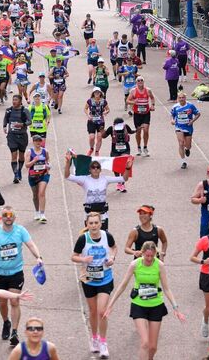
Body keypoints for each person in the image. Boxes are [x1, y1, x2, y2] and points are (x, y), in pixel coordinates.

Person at [104, 241, 187, 360]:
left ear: (155, 254)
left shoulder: (159, 265)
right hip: (139, 304)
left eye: (152, 256)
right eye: (146, 255)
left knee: (153, 347)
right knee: (145, 343)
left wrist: (176, 309)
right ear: (142, 253)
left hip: (156, 305)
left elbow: (167, 288)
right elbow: (122, 285)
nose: (149, 258)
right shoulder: (134, 264)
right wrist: (110, 305)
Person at [0, 205, 43, 347]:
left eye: (10, 215)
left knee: (14, 301)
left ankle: (14, 332)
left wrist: (38, 257)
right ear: (1, 217)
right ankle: (6, 322)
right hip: (0, 274)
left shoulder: (21, 230)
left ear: (14, 217)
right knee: (3, 302)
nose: (8, 218)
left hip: (16, 273)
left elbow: (31, 244)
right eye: (5, 215)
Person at [72, 212, 116, 357]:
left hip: (105, 278)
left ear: (100, 223)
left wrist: (111, 257)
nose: (94, 225)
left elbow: (114, 247)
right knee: (92, 311)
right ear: (87, 224)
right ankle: (94, 338)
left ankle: (103, 342)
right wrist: (84, 259)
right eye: (91, 223)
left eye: (96, 222)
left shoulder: (106, 236)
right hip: (89, 279)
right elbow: (73, 256)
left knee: (102, 311)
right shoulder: (83, 239)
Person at [64, 153, 125, 232]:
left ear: (100, 170)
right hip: (89, 215)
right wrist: (68, 162)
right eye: (93, 167)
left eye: (97, 167)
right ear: (90, 170)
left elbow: (124, 178)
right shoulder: (84, 179)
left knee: (104, 236)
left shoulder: (105, 179)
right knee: (90, 237)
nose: (95, 169)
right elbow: (67, 176)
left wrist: (127, 168)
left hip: (103, 215)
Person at [171, 92, 202, 169]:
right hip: (179, 127)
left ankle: (187, 149)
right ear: (178, 98)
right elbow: (172, 115)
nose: (181, 99)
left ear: (185, 98)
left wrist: (192, 121)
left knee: (188, 145)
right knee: (181, 143)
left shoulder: (190, 106)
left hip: (188, 127)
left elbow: (198, 114)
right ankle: (183, 161)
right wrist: (172, 120)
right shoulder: (175, 107)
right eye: (180, 98)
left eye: (183, 97)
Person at [4, 94, 31, 183]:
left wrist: (22, 124)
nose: (14, 101)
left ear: (20, 101)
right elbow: (5, 119)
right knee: (14, 155)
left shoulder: (25, 110)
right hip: (12, 136)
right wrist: (4, 126)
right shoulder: (9, 110)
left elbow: (30, 121)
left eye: (16, 100)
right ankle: (15, 174)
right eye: (13, 100)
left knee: (21, 156)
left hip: (22, 136)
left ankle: (19, 170)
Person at [24, 136, 51, 223]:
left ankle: (42, 214)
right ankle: (37, 212)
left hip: (43, 175)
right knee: (35, 195)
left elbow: (48, 161)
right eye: (36, 141)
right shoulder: (29, 152)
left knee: (41, 193)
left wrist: (48, 166)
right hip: (33, 176)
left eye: (40, 141)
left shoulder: (45, 151)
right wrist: (34, 160)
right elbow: (27, 165)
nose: (38, 143)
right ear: (33, 142)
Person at [127, 77, 156, 157]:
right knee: (138, 131)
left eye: (141, 80)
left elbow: (152, 98)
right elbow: (128, 101)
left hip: (146, 113)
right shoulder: (133, 91)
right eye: (138, 81)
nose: (140, 82)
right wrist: (133, 102)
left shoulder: (148, 90)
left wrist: (152, 105)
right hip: (137, 114)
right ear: (136, 82)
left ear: (144, 82)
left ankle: (145, 147)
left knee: (146, 130)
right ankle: (139, 147)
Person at [107, 118, 136, 192]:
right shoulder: (111, 128)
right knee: (116, 166)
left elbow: (131, 131)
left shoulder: (126, 127)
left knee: (124, 164)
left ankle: (122, 184)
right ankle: (119, 182)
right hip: (114, 150)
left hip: (125, 149)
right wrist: (101, 130)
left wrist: (137, 130)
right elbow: (104, 135)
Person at [85, 87, 110, 155]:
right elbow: (85, 108)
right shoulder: (90, 101)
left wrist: (106, 112)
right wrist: (88, 115)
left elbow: (108, 109)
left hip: (100, 122)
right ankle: (91, 148)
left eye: (98, 92)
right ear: (93, 93)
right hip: (92, 121)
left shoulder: (103, 101)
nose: (97, 93)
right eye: (95, 92)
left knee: (99, 137)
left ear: (100, 93)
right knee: (92, 137)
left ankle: (97, 151)